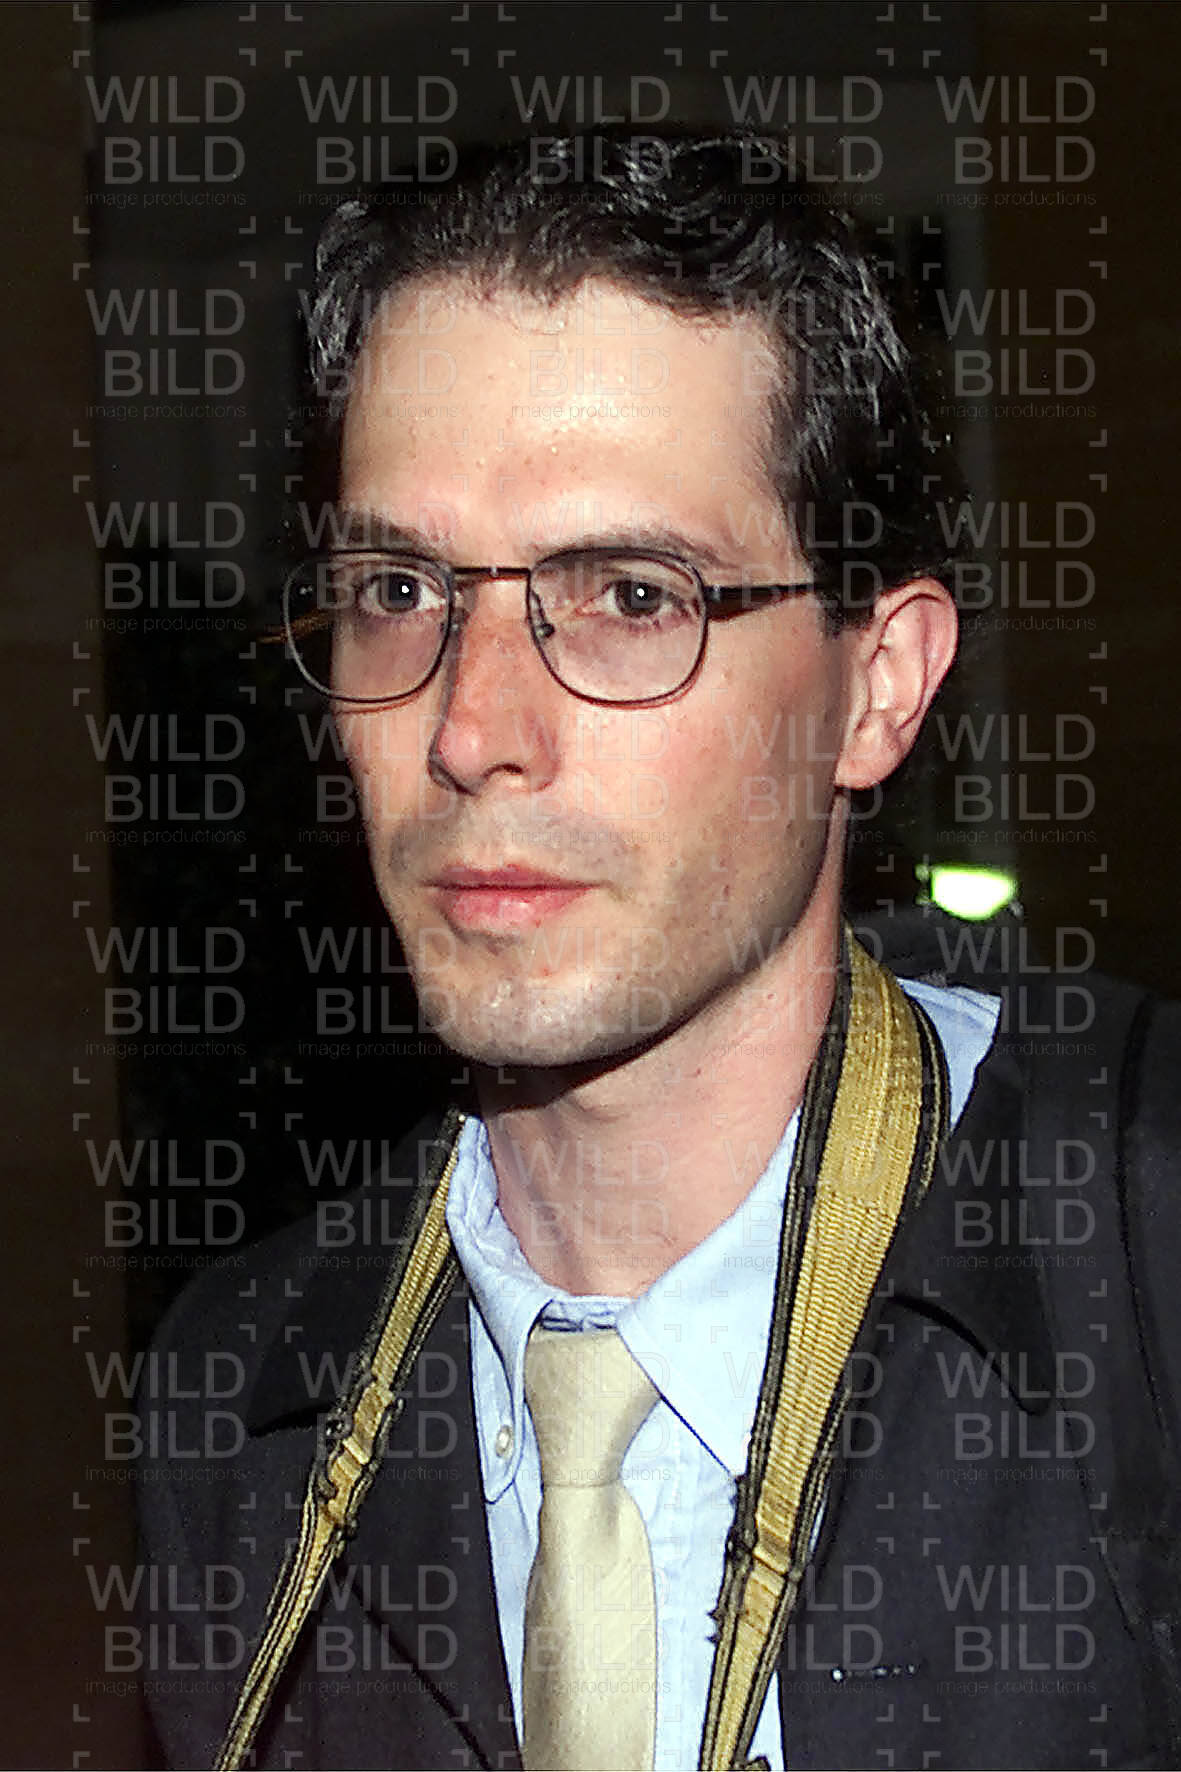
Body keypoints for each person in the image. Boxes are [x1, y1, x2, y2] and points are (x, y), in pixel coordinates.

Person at [138, 131, 1181, 1772]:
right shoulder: (240, 1394)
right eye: (399, 587)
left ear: (877, 686)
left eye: (630, 595)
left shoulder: (1137, 1263)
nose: (470, 727)